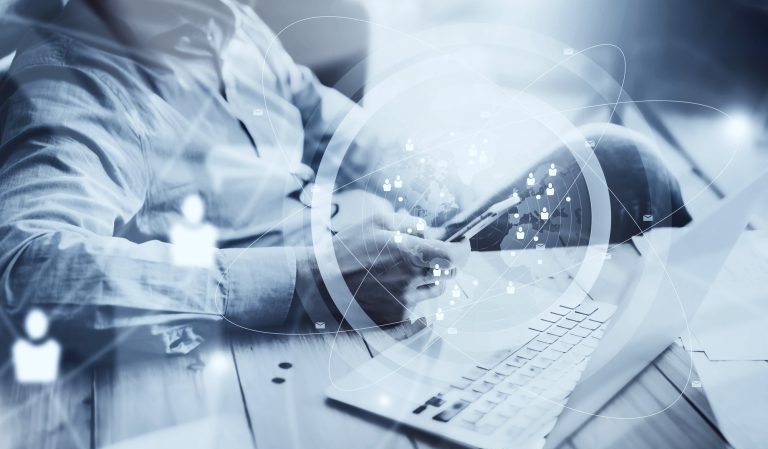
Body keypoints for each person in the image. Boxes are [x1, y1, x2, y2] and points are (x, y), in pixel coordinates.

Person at [0, 0, 690, 352]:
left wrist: (441, 194)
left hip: (349, 278)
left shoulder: (219, 21)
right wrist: (311, 281)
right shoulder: (76, 87)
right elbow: (24, 268)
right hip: (269, 338)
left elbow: (313, 109)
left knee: (616, 161)